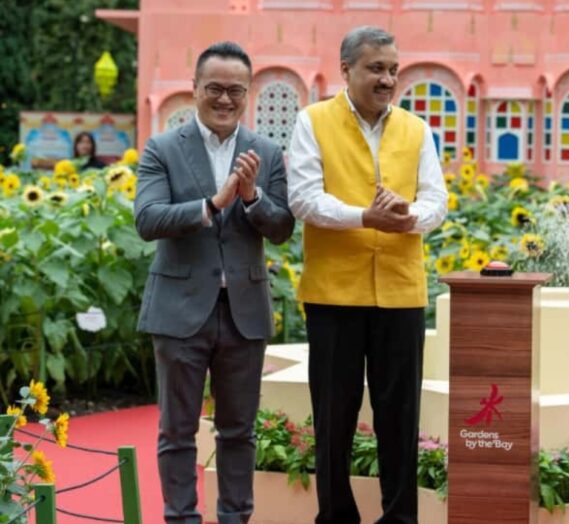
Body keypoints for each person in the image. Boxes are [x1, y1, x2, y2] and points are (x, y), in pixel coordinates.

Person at [286, 26, 447, 524]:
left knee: (399, 418)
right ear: (347, 70)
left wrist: (408, 215)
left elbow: (436, 201)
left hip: (400, 292)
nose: (387, 79)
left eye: (393, 69)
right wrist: (366, 217)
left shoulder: (417, 129)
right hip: (334, 294)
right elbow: (304, 199)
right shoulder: (313, 121)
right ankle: (335, 517)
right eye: (376, 68)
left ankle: (400, 519)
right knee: (334, 417)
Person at [134, 41, 295, 523]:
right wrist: (212, 204)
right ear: (195, 89)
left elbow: (284, 227)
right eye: (215, 89)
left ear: (248, 94)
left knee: (239, 432)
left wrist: (251, 198)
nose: (225, 100)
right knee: (178, 431)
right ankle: (181, 518)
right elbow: (147, 219)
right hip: (179, 310)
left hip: (244, 312)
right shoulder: (162, 147)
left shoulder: (266, 151)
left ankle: (235, 518)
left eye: (236, 91)